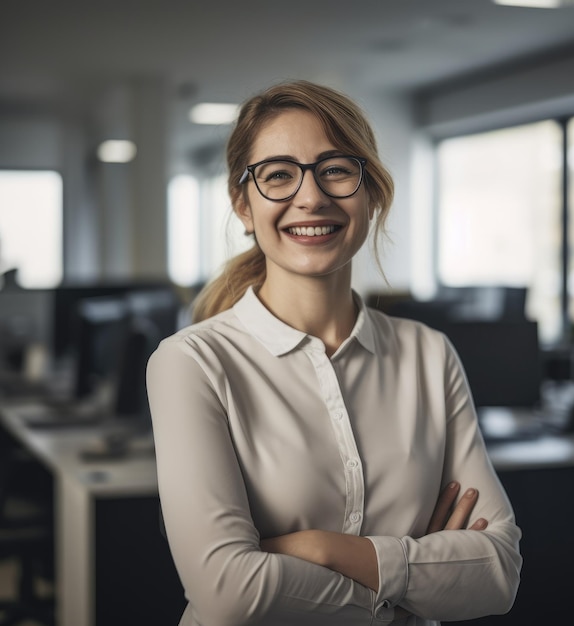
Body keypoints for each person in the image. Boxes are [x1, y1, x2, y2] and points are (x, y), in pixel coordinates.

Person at [146, 80, 522, 626]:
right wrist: (414, 579)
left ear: (371, 193)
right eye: (278, 175)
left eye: (336, 170)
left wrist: (318, 549)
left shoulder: (428, 353)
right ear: (242, 205)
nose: (311, 196)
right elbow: (228, 594)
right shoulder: (193, 363)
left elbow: (497, 572)